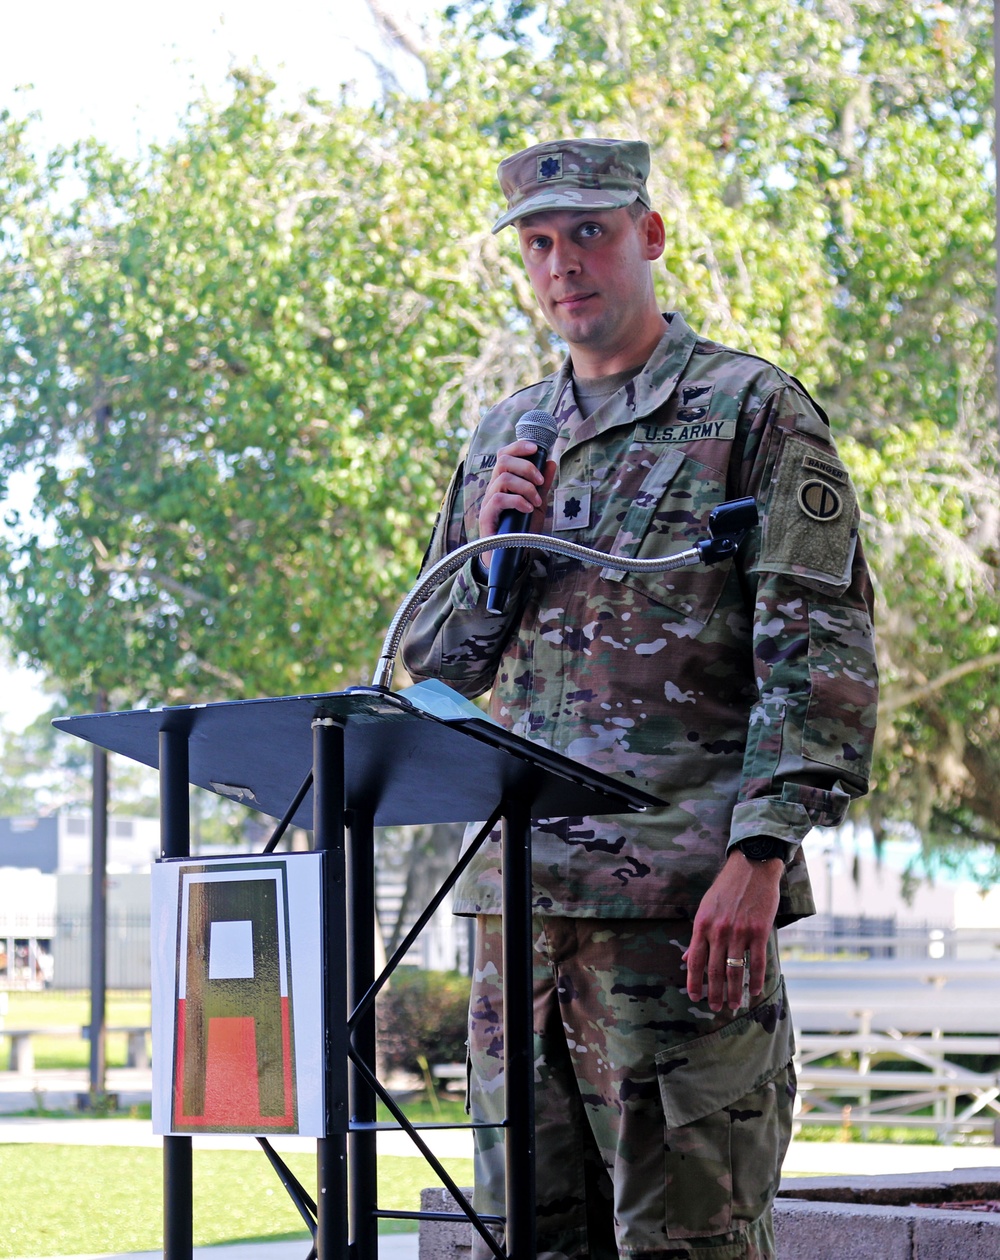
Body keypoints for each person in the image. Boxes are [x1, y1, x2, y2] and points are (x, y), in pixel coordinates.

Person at [401, 138, 878, 1260]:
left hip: (681, 913)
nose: (563, 262)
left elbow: (817, 646)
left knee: (690, 1243)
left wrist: (759, 855)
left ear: (648, 237)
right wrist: (487, 554)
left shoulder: (749, 411)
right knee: (533, 1240)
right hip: (516, 921)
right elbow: (429, 667)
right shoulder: (504, 436)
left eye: (589, 233)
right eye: (538, 243)